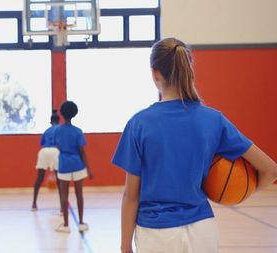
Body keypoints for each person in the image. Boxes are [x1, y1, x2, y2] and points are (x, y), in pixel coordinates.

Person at [112, 37, 277, 253]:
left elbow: (130, 196)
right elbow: (271, 170)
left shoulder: (139, 123)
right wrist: (244, 189)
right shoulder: (214, 120)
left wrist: (125, 247)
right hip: (203, 231)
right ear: (188, 70)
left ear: (155, 73)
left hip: (156, 234)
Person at [54, 101, 94, 233]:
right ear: (74, 114)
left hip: (64, 164)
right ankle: (81, 223)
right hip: (78, 165)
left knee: (64, 195)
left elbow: (57, 146)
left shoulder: (57, 130)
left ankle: (65, 225)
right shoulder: (78, 131)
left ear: (62, 113)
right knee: (79, 195)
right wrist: (88, 168)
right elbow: (82, 151)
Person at [32, 110, 62, 212]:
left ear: (50, 122)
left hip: (44, 151)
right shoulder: (61, 129)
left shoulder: (46, 130)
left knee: (39, 178)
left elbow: (42, 142)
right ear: (59, 121)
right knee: (60, 180)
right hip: (55, 151)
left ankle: (34, 204)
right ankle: (62, 207)